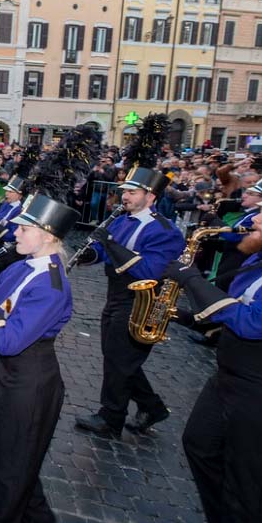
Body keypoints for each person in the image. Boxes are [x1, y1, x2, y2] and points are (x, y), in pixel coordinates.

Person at [0, 192, 77, 523]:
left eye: (24, 228)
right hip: (7, 373)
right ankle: (38, 517)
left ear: (48, 235)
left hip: (32, 380)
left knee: (12, 457)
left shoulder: (52, 284)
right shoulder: (21, 266)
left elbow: (8, 340)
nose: (15, 233)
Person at [161, 192, 262, 523]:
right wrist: (186, 316)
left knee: (251, 486)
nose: (255, 218)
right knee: (199, 445)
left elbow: (255, 322)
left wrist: (192, 279)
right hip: (229, 376)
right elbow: (236, 303)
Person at [73, 163, 185, 438]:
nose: (125, 196)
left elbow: (149, 270)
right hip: (116, 293)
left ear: (151, 197)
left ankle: (111, 419)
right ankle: (152, 407)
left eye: (133, 192)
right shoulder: (121, 219)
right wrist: (89, 254)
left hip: (141, 298)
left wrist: (110, 244)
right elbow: (104, 252)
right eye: (125, 191)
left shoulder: (165, 231)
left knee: (119, 360)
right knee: (118, 358)